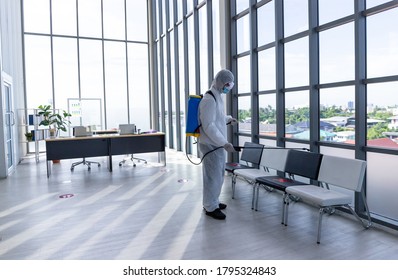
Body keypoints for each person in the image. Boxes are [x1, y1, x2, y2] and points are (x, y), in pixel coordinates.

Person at [198, 69, 238, 220]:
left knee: (218, 175)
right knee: (212, 177)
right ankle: (210, 207)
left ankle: (213, 201)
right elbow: (208, 126)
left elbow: (218, 118)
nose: (228, 87)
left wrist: (228, 119)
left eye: (230, 85)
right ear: (220, 82)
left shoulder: (217, 97)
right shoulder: (209, 99)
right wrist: (224, 142)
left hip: (217, 145)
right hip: (210, 145)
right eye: (227, 84)